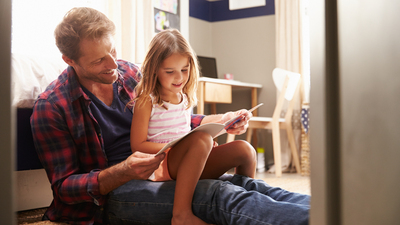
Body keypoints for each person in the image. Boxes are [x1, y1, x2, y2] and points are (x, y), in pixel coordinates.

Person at [30, 7, 310, 225]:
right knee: (219, 196)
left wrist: (221, 120)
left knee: (246, 184)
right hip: (117, 193)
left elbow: (172, 120)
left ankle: (337, 210)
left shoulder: (129, 74)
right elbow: (64, 188)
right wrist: (121, 171)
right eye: (98, 60)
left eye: (112, 50)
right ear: (70, 60)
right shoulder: (52, 107)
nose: (114, 64)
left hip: (168, 164)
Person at [130, 29, 257, 225]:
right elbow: (138, 146)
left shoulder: (185, 97)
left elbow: (189, 128)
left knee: (245, 150)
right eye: (170, 71)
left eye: (185, 69)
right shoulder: (147, 100)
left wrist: (229, 121)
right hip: (162, 164)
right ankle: (181, 215)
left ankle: (245, 204)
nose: (179, 77)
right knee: (201, 139)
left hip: (189, 159)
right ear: (154, 69)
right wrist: (180, 146)